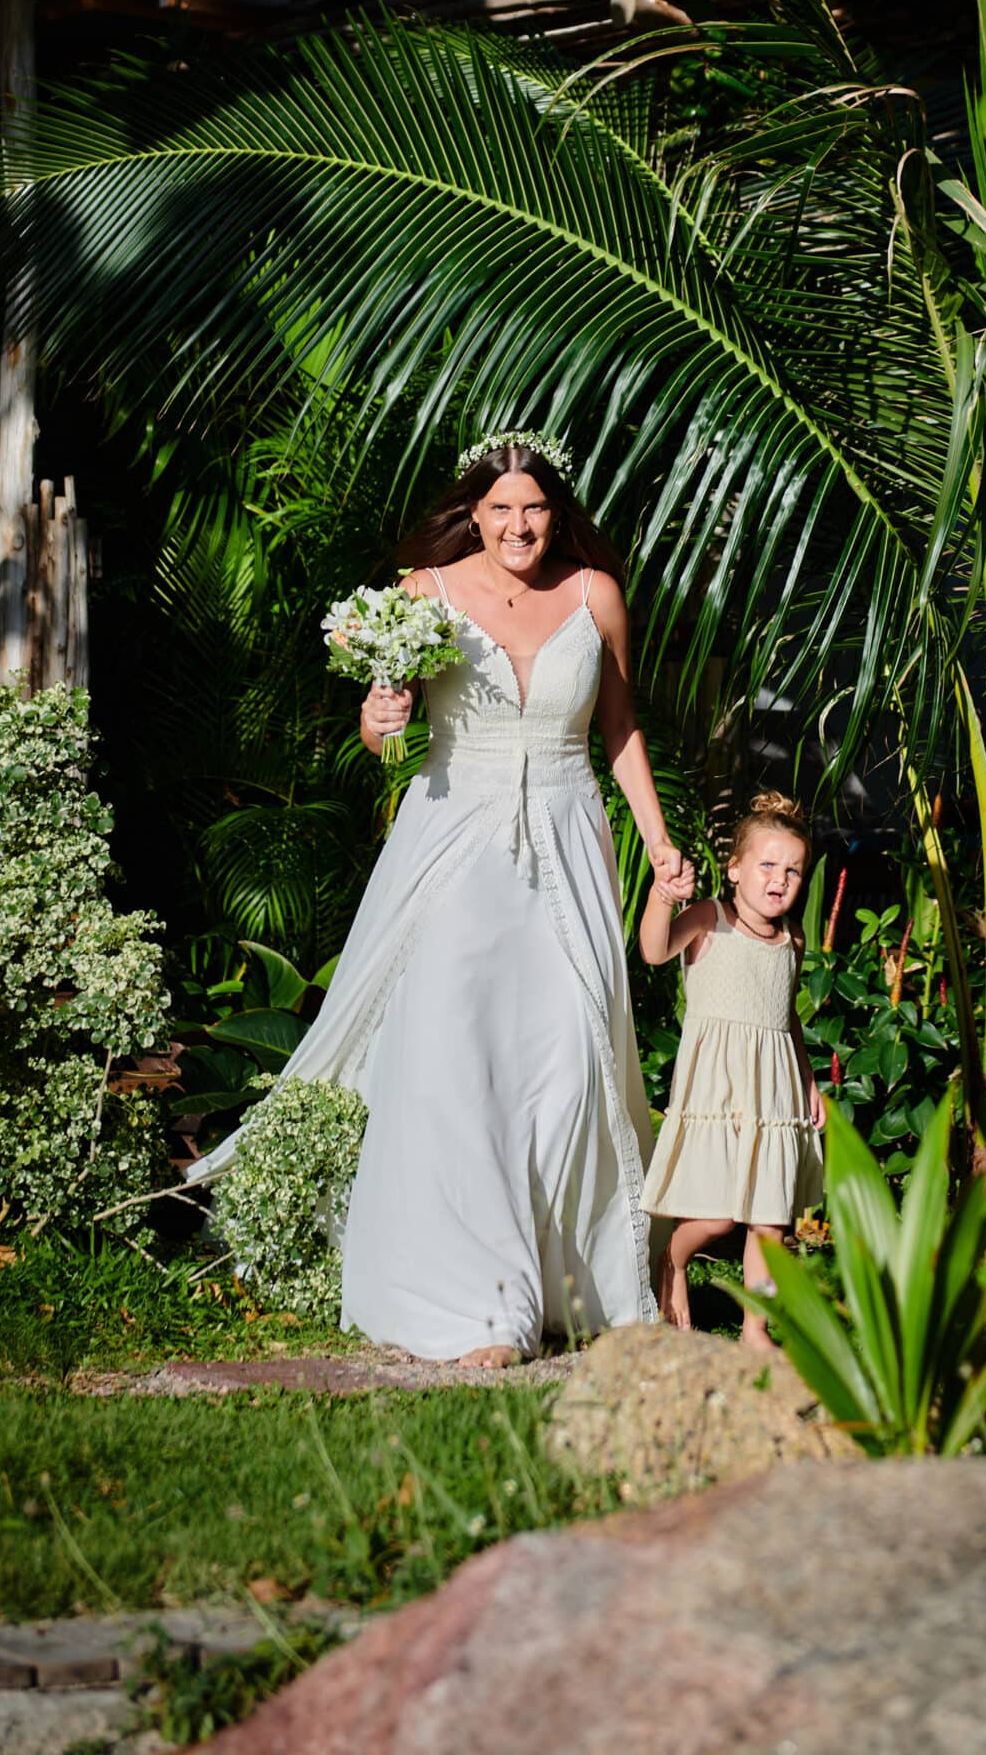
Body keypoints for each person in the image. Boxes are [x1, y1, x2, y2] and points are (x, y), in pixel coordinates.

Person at [189, 430, 682, 1366]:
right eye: (500, 510)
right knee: (458, 1058)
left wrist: (657, 841)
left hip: (571, 839)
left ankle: (571, 1284)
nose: (518, 525)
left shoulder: (595, 597)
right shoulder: (426, 594)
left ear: (555, 511)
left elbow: (618, 729)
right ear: (476, 513)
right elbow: (386, 726)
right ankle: (477, 1311)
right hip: (459, 836)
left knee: (568, 1060)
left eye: (533, 508)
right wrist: (380, 721)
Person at [639, 791, 826, 1350]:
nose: (779, 879)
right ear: (736, 868)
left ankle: (755, 1330)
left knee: (770, 1221)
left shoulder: (792, 940)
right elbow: (654, 950)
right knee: (719, 1217)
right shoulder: (710, 920)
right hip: (718, 1092)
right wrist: (660, 898)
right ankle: (672, 1259)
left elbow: (787, 1017)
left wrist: (810, 1081)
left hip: (773, 1095)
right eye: (767, 865)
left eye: (793, 870)